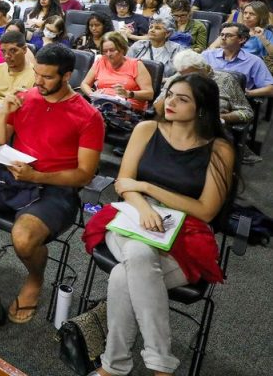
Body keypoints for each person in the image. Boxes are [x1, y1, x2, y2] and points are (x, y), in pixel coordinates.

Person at [84, 74, 234, 376]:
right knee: (139, 250)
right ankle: (161, 366)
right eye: (170, 94)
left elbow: (205, 211)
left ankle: (114, 366)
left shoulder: (219, 149)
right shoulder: (146, 129)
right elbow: (124, 185)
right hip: (131, 218)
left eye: (183, 98)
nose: (170, 102)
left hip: (185, 232)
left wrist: (150, 189)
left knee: (122, 276)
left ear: (202, 108)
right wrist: (142, 204)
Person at [0, 44, 104, 323]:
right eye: (36, 74)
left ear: (67, 76)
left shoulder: (88, 116)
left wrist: (38, 176)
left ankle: (35, 279)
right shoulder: (27, 97)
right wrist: (6, 112)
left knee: (23, 238)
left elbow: (84, 175)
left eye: (47, 77)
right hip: (11, 175)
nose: (38, 82)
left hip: (54, 187)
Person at [155, 49, 253, 127]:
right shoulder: (176, 79)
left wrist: (222, 117)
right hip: (175, 127)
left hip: (210, 130)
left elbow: (247, 112)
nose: (186, 79)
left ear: (203, 68)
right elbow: (157, 107)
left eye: (191, 74)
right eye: (181, 74)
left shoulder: (225, 80)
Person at [80, 31, 154, 112]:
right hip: (103, 106)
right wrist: (93, 95)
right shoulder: (100, 61)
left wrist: (128, 94)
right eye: (105, 51)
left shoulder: (136, 65)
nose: (108, 54)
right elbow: (84, 84)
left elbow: (149, 94)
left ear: (122, 49)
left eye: (112, 50)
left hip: (128, 110)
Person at [202, 23, 273, 97]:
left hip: (235, 101)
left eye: (229, 35)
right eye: (222, 34)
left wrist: (248, 93)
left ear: (242, 39)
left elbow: (270, 89)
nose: (223, 38)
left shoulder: (254, 61)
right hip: (207, 97)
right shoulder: (207, 55)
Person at [0, 30, 36, 104]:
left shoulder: (35, 75)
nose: (7, 56)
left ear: (24, 49)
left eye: (13, 50)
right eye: (3, 51)